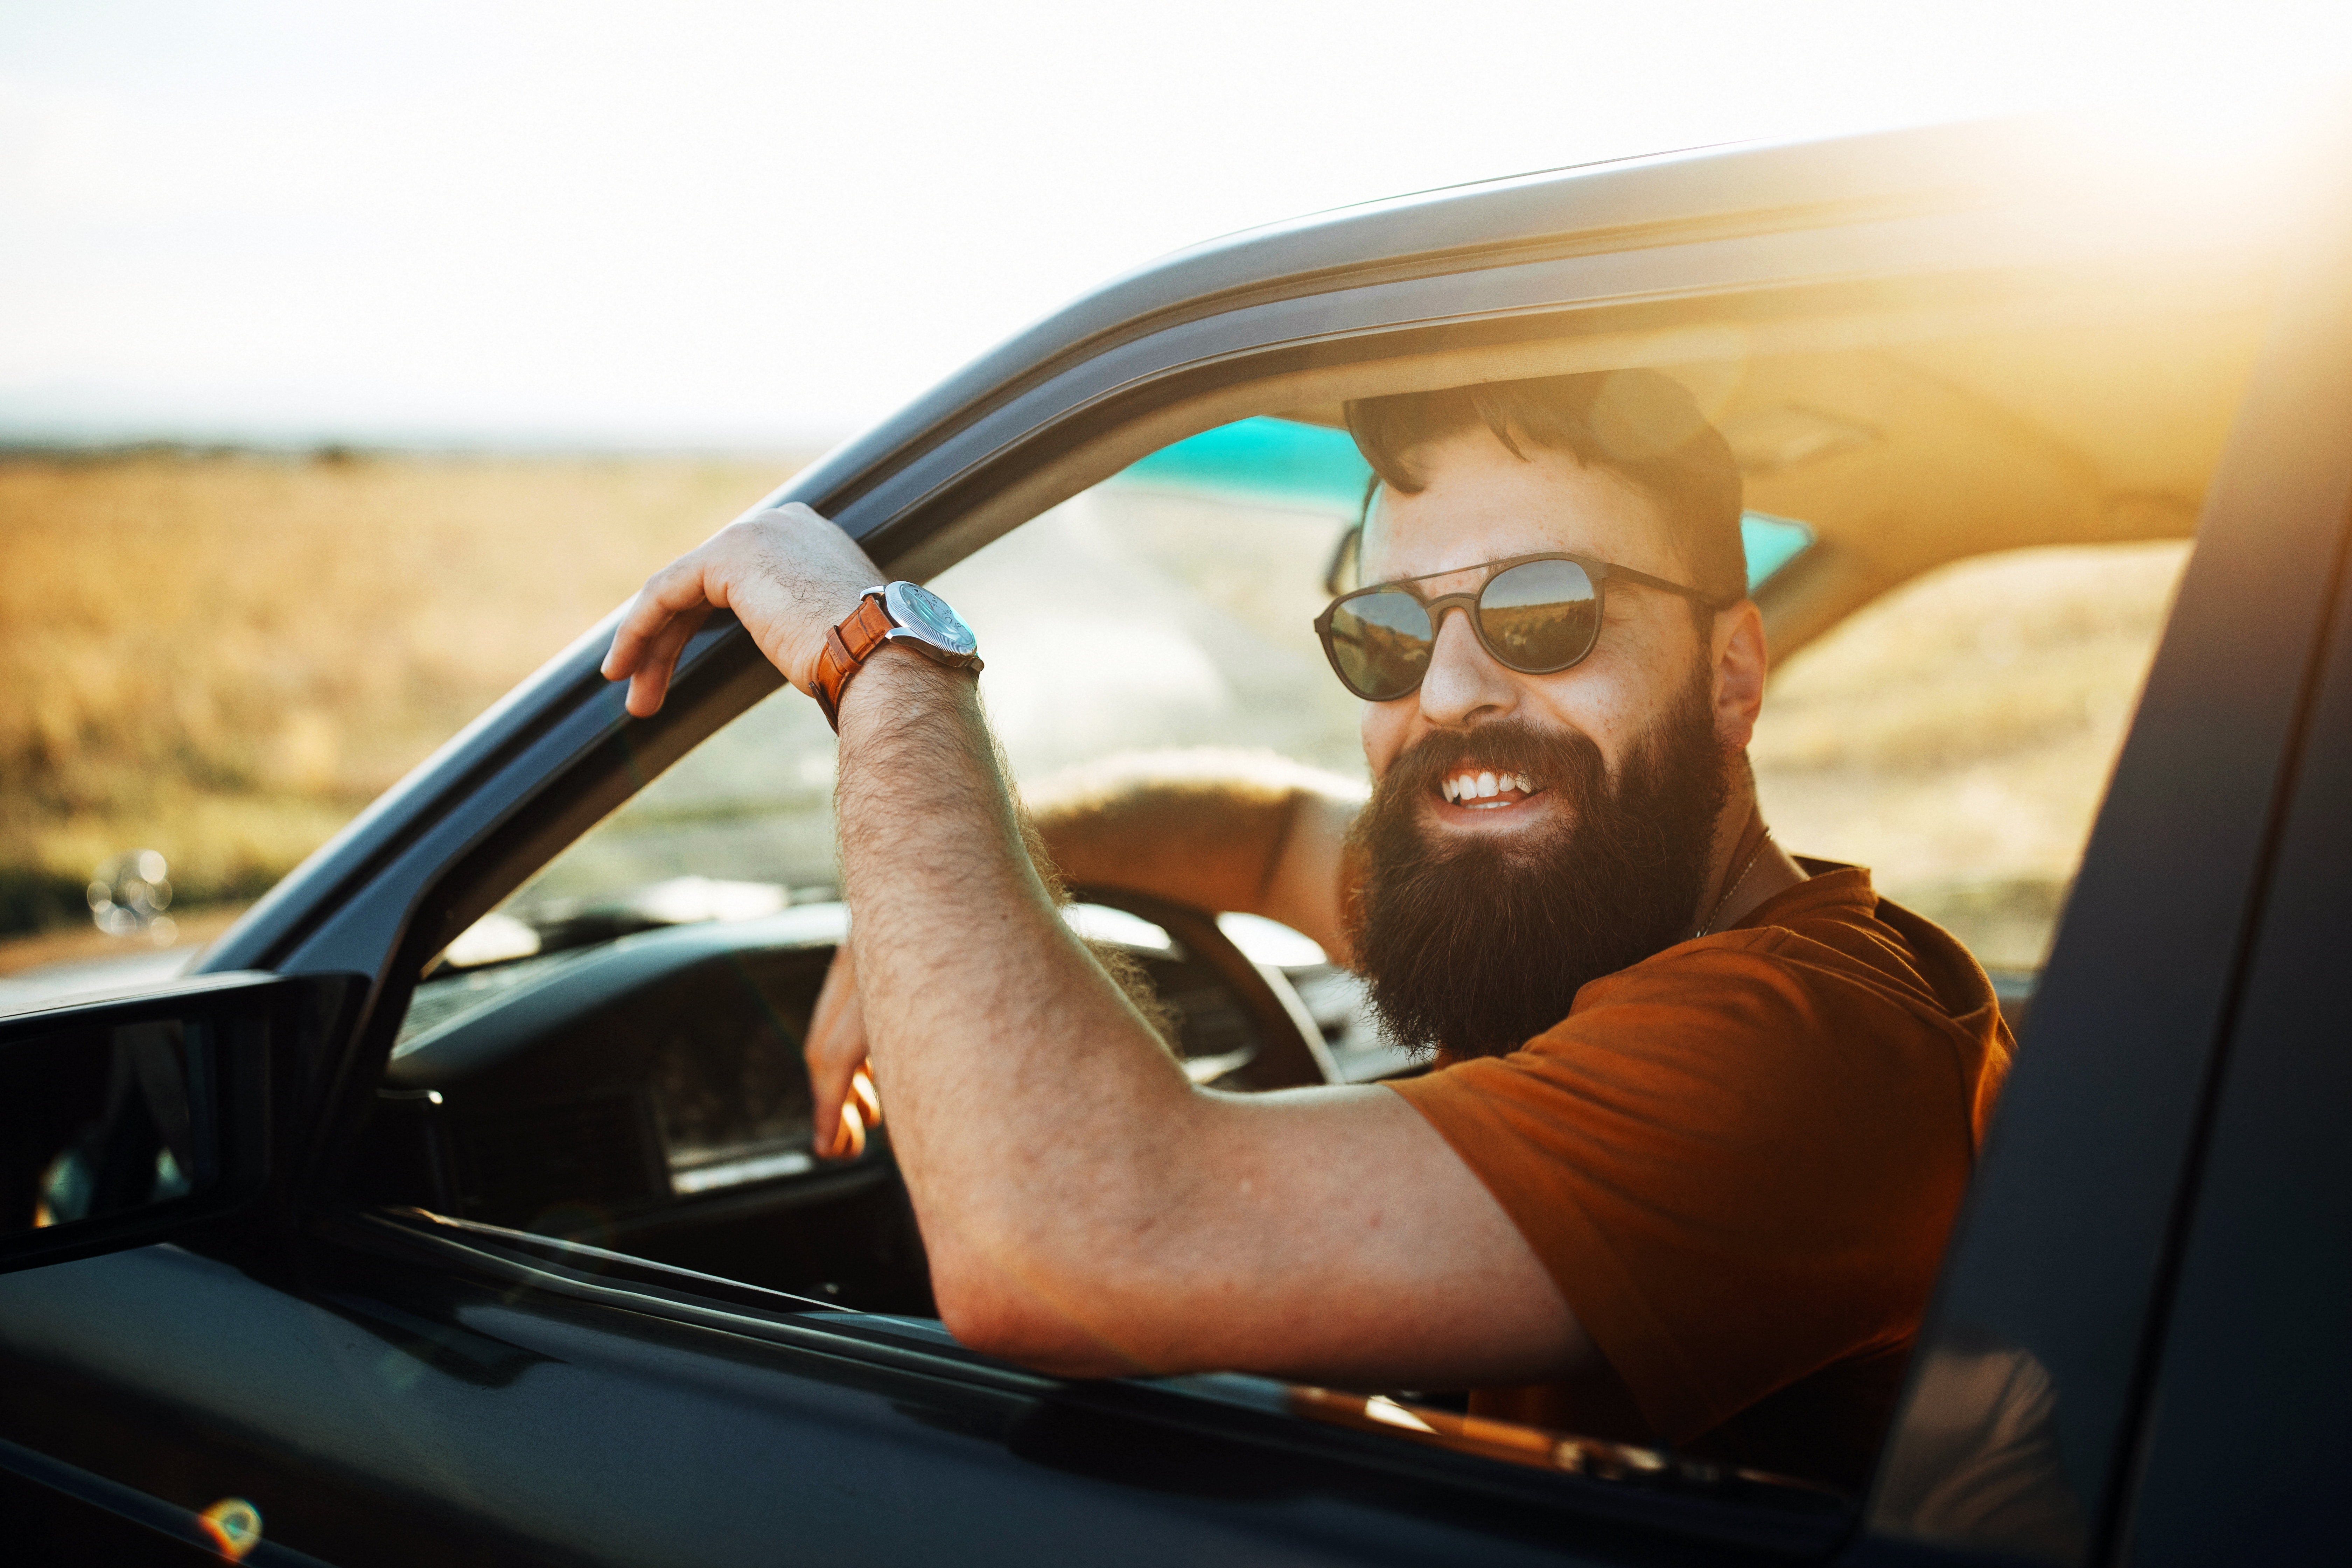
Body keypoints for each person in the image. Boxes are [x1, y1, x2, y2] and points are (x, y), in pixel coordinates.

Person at [601, 371, 2012, 1490]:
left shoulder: (1807, 1052)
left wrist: (881, 657)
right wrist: (969, 893)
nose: (1450, 690)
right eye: (1389, 632)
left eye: (1544, 609)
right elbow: (1269, 831)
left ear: (1732, 673)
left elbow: (1065, 1241)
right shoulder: (1580, 893)